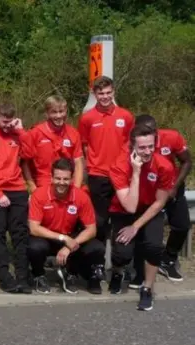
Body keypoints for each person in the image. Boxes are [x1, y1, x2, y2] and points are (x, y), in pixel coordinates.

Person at [108, 124, 174, 311]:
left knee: (154, 246)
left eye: (150, 146)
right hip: (124, 208)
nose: (147, 152)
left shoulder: (165, 166)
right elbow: (129, 206)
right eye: (142, 147)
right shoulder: (119, 166)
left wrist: (136, 226)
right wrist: (136, 172)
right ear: (132, 147)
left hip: (150, 209)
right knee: (122, 253)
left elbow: (160, 202)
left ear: (156, 144)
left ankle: (147, 288)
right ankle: (118, 272)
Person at [78, 76, 134, 278]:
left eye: (108, 92)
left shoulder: (126, 116)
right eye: (100, 93)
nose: (105, 96)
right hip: (97, 175)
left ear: (114, 92)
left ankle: (120, 266)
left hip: (120, 175)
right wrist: (89, 168)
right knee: (99, 222)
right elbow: (84, 146)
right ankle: (98, 264)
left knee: (120, 220)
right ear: (95, 94)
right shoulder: (87, 118)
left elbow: (131, 144)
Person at [130, 114, 191, 285]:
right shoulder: (134, 144)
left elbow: (187, 162)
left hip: (171, 188)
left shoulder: (172, 137)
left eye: (153, 131)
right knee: (144, 233)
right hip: (148, 191)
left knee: (182, 225)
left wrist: (174, 187)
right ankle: (139, 271)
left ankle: (168, 259)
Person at [27, 158, 104, 295]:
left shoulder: (81, 197)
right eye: (58, 178)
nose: (61, 183)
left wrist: (69, 245)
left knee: (97, 248)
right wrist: (63, 238)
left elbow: (91, 230)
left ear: (72, 179)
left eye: (65, 179)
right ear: (51, 178)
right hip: (46, 236)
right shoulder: (39, 194)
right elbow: (34, 228)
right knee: (34, 247)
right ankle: (39, 275)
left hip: (70, 236)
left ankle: (71, 273)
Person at [0, 103, 31, 293]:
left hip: (17, 189)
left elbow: (30, 154)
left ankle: (23, 277)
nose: (7, 126)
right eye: (4, 121)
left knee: (19, 234)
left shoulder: (17, 134)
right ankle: (4, 276)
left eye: (10, 122)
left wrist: (21, 131)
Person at [22, 95, 84, 190]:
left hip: (67, 183)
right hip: (43, 184)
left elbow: (78, 162)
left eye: (61, 111)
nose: (58, 116)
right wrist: (32, 187)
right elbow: (25, 163)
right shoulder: (35, 133)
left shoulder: (73, 133)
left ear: (66, 111)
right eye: (54, 112)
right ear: (47, 113)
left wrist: (77, 188)